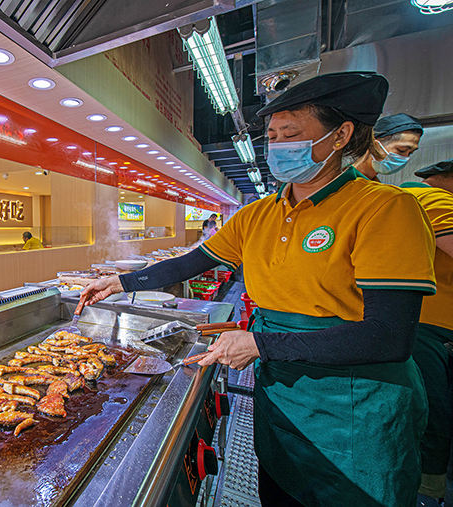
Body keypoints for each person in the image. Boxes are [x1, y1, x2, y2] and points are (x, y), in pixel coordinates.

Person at [79, 72, 437, 507]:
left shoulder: (386, 209)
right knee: (280, 490)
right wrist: (118, 281)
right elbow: (192, 262)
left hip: (354, 407)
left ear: (341, 135)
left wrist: (259, 343)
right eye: (271, 136)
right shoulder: (258, 214)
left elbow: (389, 336)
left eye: (291, 134)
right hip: (281, 394)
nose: (278, 146)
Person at [398, 159, 453, 505]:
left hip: (418, 322)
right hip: (427, 326)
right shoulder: (433, 198)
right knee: (432, 414)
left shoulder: (405, 198)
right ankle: (426, 492)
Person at [355, 113, 424, 180]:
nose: (405, 158)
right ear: (375, 145)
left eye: (410, 153)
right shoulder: (349, 181)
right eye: (401, 150)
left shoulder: (372, 184)